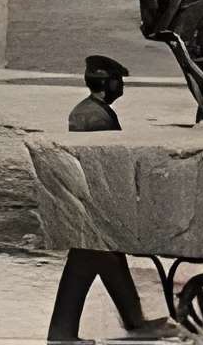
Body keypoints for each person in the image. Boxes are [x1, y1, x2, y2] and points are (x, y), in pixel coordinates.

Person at [45, 57, 147, 342]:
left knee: (104, 260)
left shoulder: (87, 110)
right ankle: (64, 334)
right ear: (108, 83)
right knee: (96, 259)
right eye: (119, 81)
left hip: (88, 199)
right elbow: (107, 160)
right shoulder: (98, 117)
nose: (121, 86)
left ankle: (135, 323)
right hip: (97, 202)